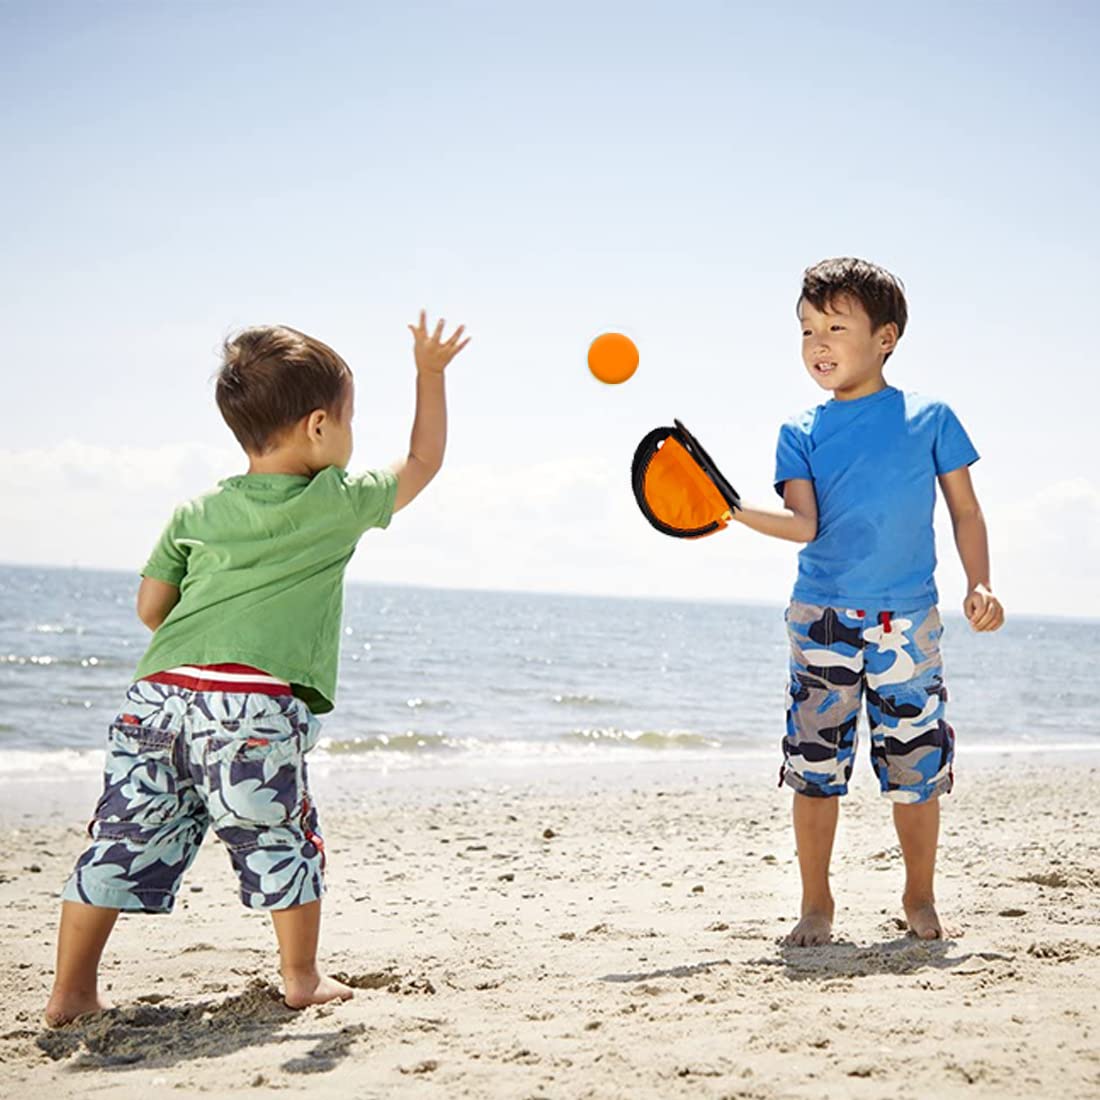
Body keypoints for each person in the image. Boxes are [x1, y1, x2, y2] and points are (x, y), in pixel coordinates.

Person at [45, 312, 469, 1024]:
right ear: (318, 427)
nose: (352, 436)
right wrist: (430, 373)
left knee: (117, 841)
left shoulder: (197, 510)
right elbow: (423, 461)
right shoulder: (335, 500)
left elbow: (151, 608)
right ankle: (301, 978)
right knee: (279, 836)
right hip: (248, 708)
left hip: (156, 699)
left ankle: (71, 992)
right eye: (351, 420)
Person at [732, 257, 1003, 945]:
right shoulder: (800, 430)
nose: (816, 343)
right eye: (806, 330)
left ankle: (919, 896)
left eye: (834, 327)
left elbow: (966, 511)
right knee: (814, 770)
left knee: (916, 770)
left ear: (885, 338)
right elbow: (804, 525)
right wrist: (733, 511)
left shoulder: (930, 418)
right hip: (820, 617)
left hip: (908, 622)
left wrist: (979, 582)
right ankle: (815, 904)